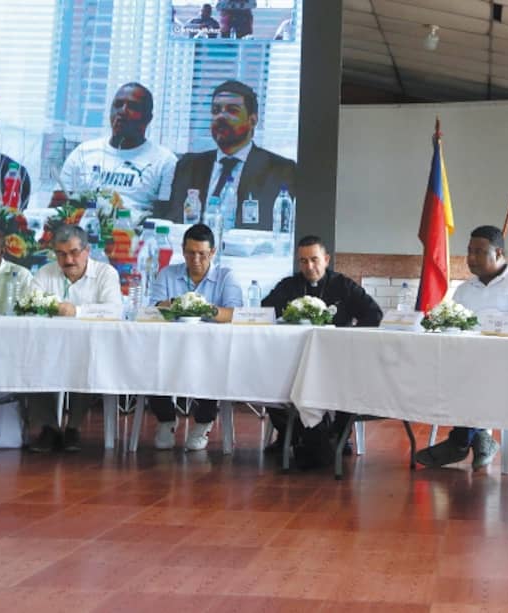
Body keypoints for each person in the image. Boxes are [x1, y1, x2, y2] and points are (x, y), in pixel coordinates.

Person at [413, 225, 508, 471]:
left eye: (479, 252)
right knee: (443, 371)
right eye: (469, 251)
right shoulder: (465, 290)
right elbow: (453, 324)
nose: (471, 258)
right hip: (469, 361)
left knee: (473, 376)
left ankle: (460, 442)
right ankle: (480, 436)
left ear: (499, 253)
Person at [262, 235, 382, 463]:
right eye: (303, 261)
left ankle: (336, 435)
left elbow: (374, 314)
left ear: (326, 259)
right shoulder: (290, 285)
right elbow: (265, 312)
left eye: (314, 260)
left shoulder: (343, 285)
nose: (309, 267)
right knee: (268, 382)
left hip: (338, 361)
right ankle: (295, 434)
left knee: (351, 385)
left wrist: (349, 338)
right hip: (294, 362)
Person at [147, 223, 244, 451]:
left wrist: (205, 309)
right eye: (190, 253)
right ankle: (166, 419)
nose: (196, 259)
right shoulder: (168, 273)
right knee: (149, 361)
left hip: (212, 351)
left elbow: (235, 314)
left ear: (213, 252)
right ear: (183, 250)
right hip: (171, 348)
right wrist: (178, 305)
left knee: (213, 367)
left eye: (202, 254)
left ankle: (203, 422)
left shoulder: (226, 276)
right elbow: (153, 308)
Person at [26, 225, 122, 452]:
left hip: (91, 346)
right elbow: (30, 304)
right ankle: (49, 428)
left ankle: (74, 428)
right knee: (31, 360)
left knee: (87, 362)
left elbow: (114, 311)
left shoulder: (105, 273)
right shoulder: (45, 273)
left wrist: (76, 312)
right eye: (61, 254)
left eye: (74, 252)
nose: (68, 260)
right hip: (48, 345)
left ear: (87, 250)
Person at [161, 80, 295, 231]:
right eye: (216, 110)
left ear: (252, 120)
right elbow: (175, 220)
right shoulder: (189, 165)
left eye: (232, 110)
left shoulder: (279, 169)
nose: (221, 117)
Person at [59, 82, 176, 214]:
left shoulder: (165, 161)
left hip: (134, 232)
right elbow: (58, 208)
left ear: (148, 118)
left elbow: (166, 219)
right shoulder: (82, 153)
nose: (122, 111)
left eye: (132, 107)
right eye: (118, 105)